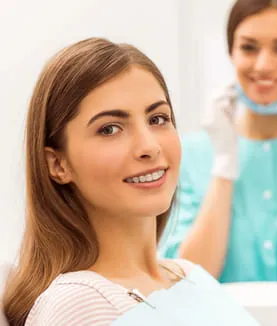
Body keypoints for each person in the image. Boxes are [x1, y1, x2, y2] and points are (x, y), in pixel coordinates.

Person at [2, 38, 259, 326]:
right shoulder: (78, 305)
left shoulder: (190, 275)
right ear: (58, 164)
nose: (149, 146)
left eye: (158, 119)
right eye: (110, 129)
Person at [160, 0, 277, 324]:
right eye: (248, 47)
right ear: (231, 52)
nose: (263, 65)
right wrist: (223, 166)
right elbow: (184, 287)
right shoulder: (192, 156)